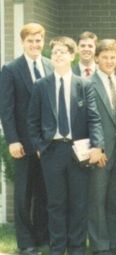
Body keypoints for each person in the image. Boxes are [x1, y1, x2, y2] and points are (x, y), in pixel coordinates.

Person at [27, 36, 105, 255]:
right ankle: (58, 248)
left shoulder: (84, 84)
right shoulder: (41, 85)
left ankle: (77, 248)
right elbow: (32, 120)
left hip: (78, 151)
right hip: (52, 151)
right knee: (56, 204)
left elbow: (94, 118)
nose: (58, 55)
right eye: (54, 52)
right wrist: (40, 146)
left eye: (63, 51)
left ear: (73, 55)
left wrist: (97, 146)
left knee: (78, 204)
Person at [0, 22, 52, 255]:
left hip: (48, 145)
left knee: (44, 193)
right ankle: (26, 242)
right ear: (23, 42)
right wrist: (12, 139)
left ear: (43, 41)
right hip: (22, 144)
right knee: (23, 194)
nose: (34, 44)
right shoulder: (11, 69)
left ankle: (42, 237)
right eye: (30, 40)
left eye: (38, 40)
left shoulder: (51, 66)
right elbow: (6, 108)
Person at [88, 39, 116, 255]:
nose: (109, 61)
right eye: (105, 57)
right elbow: (89, 119)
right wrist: (97, 147)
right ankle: (99, 245)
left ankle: (112, 243)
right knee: (97, 201)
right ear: (96, 58)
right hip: (100, 152)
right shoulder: (87, 83)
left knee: (115, 200)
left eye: (113, 57)